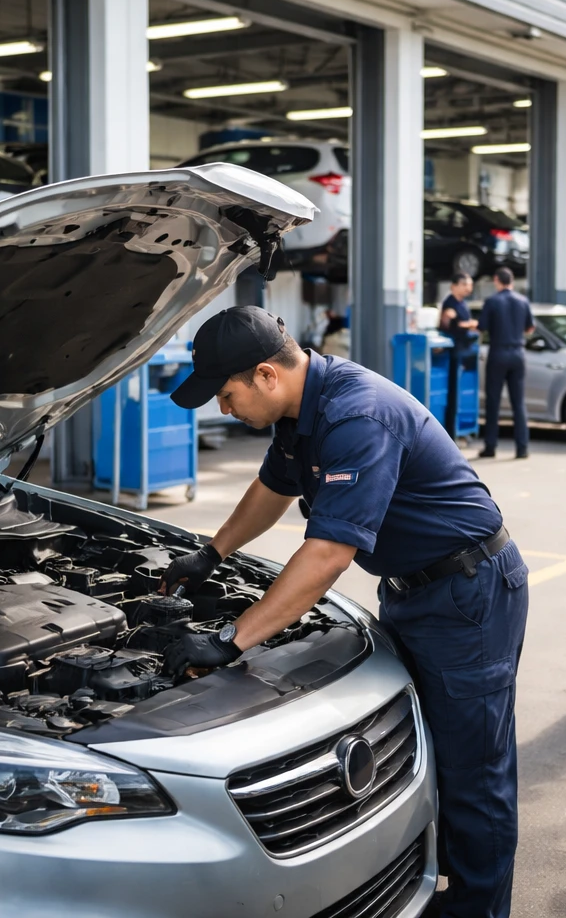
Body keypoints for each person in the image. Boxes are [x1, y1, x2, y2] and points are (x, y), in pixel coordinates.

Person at [163, 306, 529, 918]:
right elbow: (273, 489)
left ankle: (478, 910)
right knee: (423, 756)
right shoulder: (298, 411)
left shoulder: (357, 415)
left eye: (225, 395)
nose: (221, 410)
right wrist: (211, 553)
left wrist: (232, 639)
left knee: (475, 777)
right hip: (414, 590)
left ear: (264, 375)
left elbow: (330, 552)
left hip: (467, 597)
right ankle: (440, 890)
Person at [478, 267, 534, 460]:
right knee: (518, 403)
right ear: (512, 281)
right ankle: (522, 448)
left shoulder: (492, 302)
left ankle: (490, 446)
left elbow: (482, 327)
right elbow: (530, 328)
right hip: (518, 353)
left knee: (493, 402)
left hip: (498, 352)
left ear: (496, 280)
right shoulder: (523, 301)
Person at [439, 272, 479, 436]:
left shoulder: (463, 304)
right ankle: (450, 433)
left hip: (465, 352)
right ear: (454, 286)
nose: (468, 288)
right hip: (454, 354)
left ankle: (458, 429)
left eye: (470, 285)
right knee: (453, 395)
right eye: (465, 284)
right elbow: (446, 322)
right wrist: (465, 324)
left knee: (461, 396)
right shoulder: (450, 303)